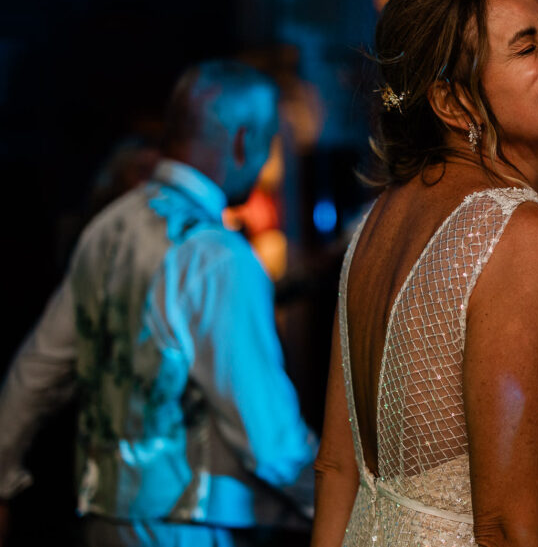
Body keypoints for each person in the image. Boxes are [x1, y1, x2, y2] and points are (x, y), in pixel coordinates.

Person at [309, 0, 538, 547]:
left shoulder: (381, 222)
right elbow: (502, 526)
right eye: (527, 48)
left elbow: (337, 469)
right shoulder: (523, 235)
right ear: (451, 103)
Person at [0, 60, 318, 547]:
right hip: (190, 527)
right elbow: (268, 436)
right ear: (241, 140)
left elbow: (35, 373)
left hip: (103, 520)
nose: (263, 161)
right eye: (268, 141)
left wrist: (1, 476)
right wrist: (340, 499)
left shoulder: (107, 230)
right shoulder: (217, 255)